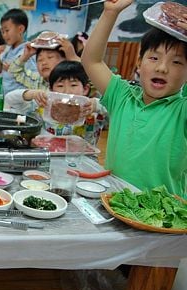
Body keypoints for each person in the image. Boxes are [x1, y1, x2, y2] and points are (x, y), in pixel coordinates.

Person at [81, 0, 187, 198]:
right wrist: (110, 13)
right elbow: (91, 60)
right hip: (115, 204)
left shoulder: (182, 110)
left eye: (177, 62)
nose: (162, 68)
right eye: (154, 58)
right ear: (139, 63)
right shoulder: (123, 96)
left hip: (165, 217)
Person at [43, 60, 106, 138]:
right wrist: (30, 94)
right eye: (60, 86)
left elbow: (118, 112)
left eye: (73, 85)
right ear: (51, 90)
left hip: (85, 150)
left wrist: (97, 105)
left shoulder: (92, 110)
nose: (67, 91)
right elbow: (23, 105)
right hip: (52, 149)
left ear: (85, 89)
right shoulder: (46, 108)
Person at [4, 45, 68, 114]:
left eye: (50, 57)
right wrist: (25, 56)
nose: (44, 63)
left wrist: (72, 56)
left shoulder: (70, 83)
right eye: (40, 60)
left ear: (65, 59)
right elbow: (14, 71)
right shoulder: (37, 80)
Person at [0, 8, 36, 94]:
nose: (4, 35)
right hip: (5, 98)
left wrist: (15, 68)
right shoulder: (8, 50)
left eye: (7, 30)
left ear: (20, 29)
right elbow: (0, 70)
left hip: (19, 101)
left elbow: (33, 79)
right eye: (2, 32)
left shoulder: (28, 51)